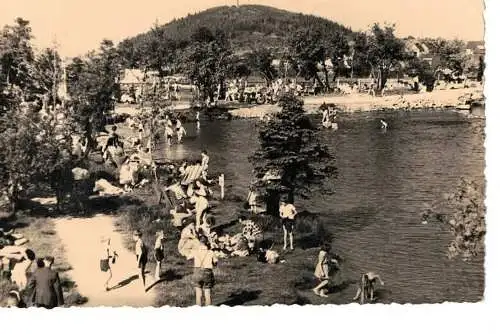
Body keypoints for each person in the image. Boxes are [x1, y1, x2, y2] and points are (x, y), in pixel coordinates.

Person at [192, 235, 218, 306]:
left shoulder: (195, 251)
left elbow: (189, 256)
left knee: (198, 293)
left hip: (197, 271)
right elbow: (215, 262)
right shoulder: (211, 252)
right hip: (207, 272)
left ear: (199, 242)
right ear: (206, 242)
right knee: (207, 292)